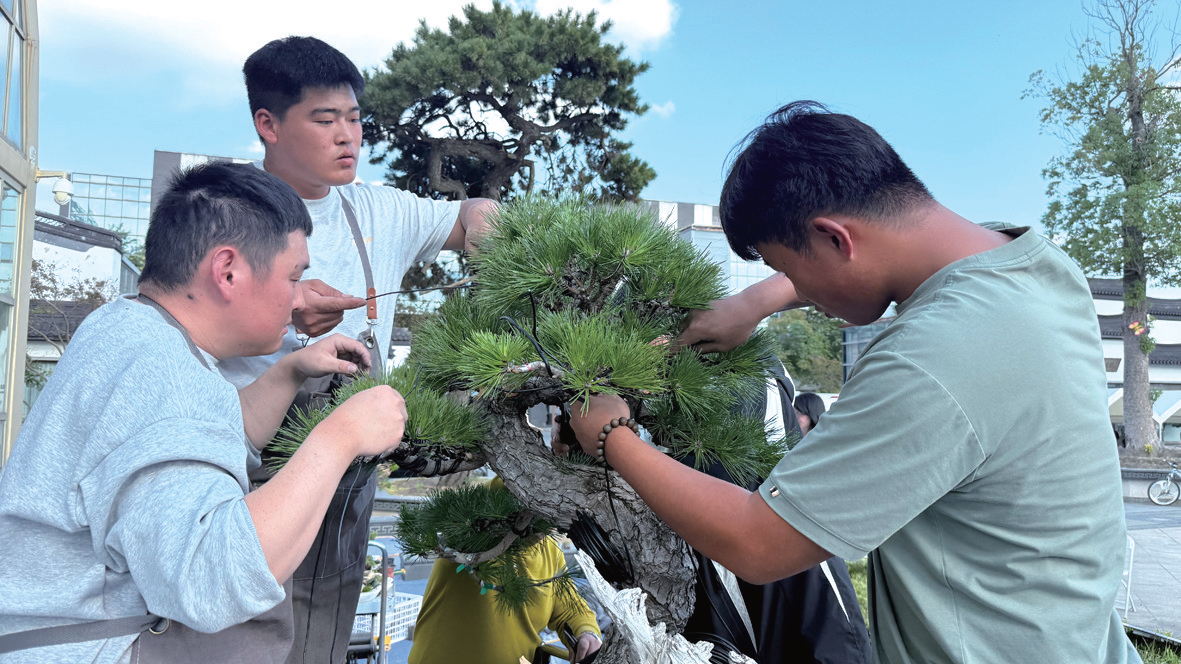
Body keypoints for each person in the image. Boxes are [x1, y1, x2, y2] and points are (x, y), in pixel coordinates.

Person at [567, 102, 1141, 663]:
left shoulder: (930, 359)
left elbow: (759, 542)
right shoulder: (1027, 262)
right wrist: (755, 300)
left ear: (836, 238)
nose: (800, 291)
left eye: (789, 269)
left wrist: (614, 433)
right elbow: (874, 258)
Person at [0, 162, 406, 663]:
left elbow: (195, 443)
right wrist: (342, 436)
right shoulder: (165, 371)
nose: (298, 297)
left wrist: (289, 371)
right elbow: (213, 578)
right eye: (292, 276)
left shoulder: (125, 326)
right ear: (228, 270)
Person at [217, 36, 497, 664]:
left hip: (352, 467)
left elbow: (471, 215)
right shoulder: (219, 212)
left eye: (354, 119)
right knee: (239, 614)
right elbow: (177, 312)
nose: (349, 137)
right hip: (245, 458)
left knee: (327, 612)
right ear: (268, 124)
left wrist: (494, 231)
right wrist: (286, 308)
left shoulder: (378, 209)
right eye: (325, 120)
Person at [408, 478, 602, 664]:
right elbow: (499, 488)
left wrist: (587, 633)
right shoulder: (474, 531)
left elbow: (571, 611)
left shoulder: (550, 552)